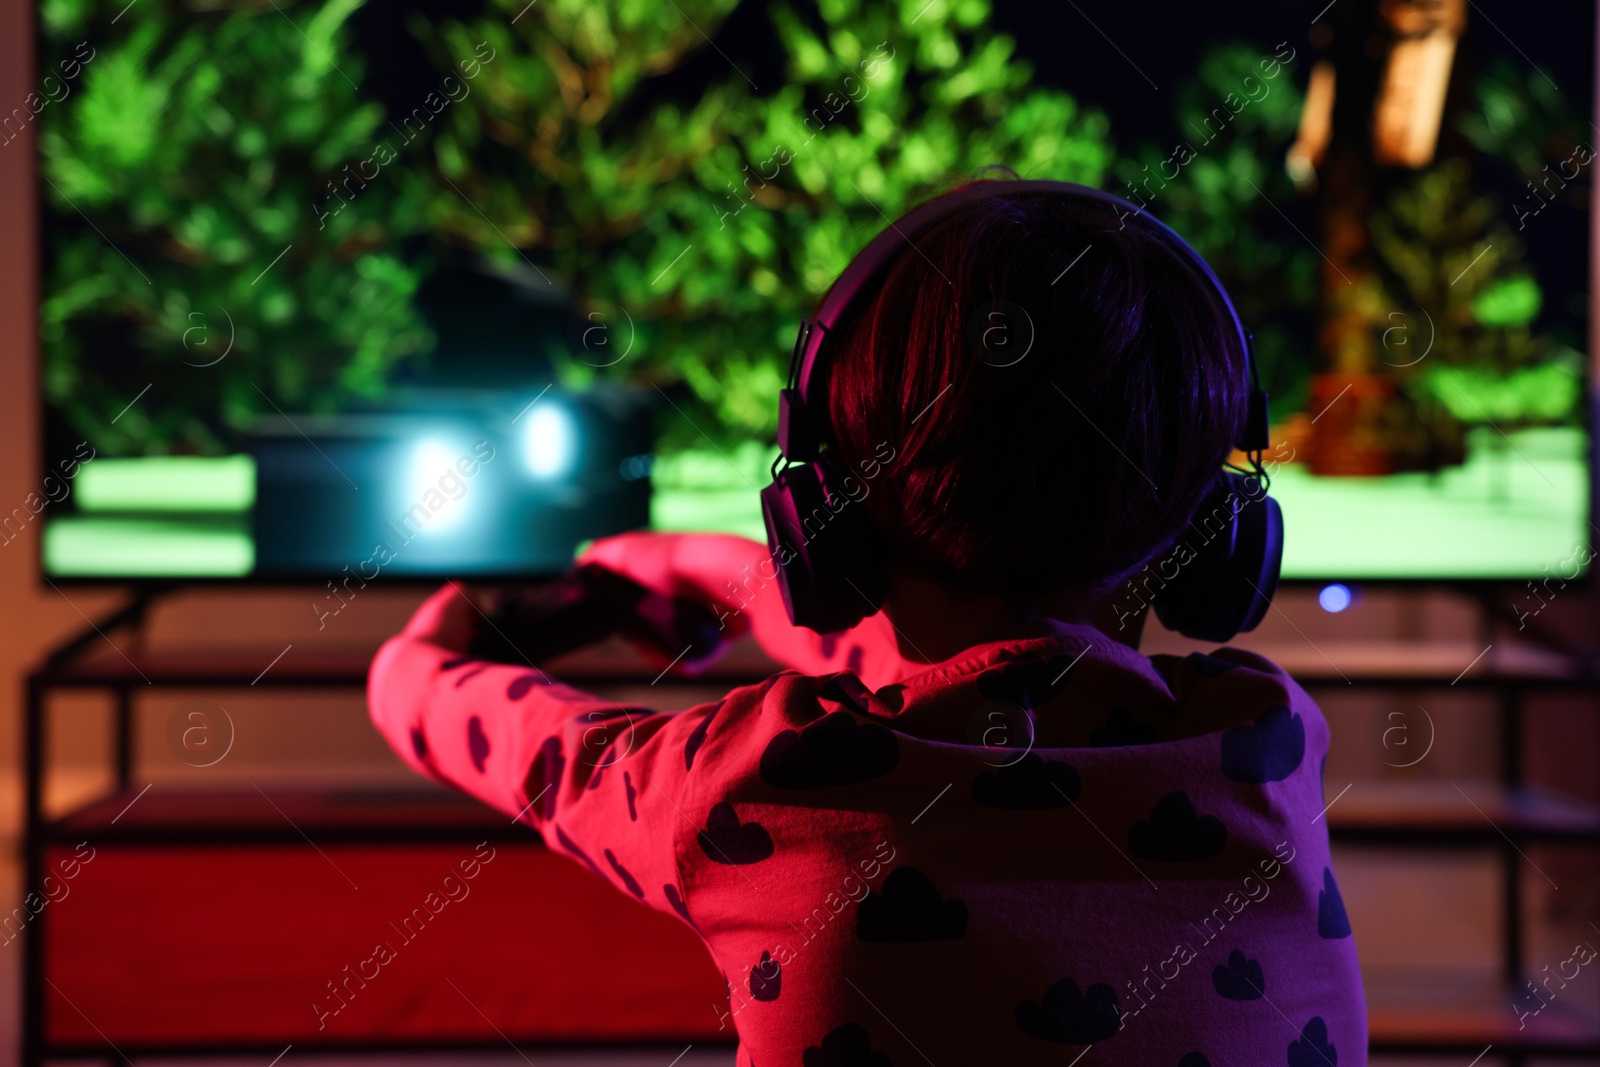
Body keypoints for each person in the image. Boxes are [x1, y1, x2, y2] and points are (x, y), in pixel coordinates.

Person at [368, 179, 1366, 1066]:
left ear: (820, 520)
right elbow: (1006, 677)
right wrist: (701, 569)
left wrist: (420, 657)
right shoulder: (1263, 745)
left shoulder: (757, 785)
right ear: (1217, 526)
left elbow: (541, 754)